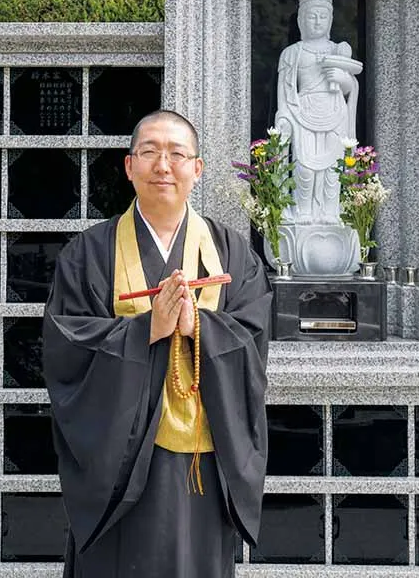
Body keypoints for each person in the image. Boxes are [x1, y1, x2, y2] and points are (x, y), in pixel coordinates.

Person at [43, 109, 273, 577]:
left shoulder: (232, 253)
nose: (162, 165)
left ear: (197, 168)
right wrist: (144, 329)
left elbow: (252, 344)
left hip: (201, 461)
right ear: (129, 167)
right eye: (148, 152)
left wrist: (198, 327)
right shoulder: (88, 253)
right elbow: (65, 347)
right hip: (120, 464)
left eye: (176, 154)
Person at [275, 0, 362, 224]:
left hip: (334, 112)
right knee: (304, 170)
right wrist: (283, 117)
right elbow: (284, 90)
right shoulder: (292, 53)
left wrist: (342, 77)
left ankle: (329, 213)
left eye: (322, 16)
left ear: (331, 19)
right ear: (301, 19)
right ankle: (303, 214)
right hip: (301, 112)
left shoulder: (338, 50)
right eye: (311, 16)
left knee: (331, 172)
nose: (317, 21)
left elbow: (350, 86)